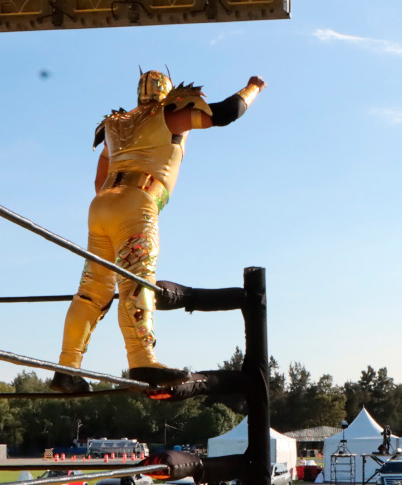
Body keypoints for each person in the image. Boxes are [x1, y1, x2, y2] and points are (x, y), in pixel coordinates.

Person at [51, 70, 268, 393]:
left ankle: (67, 368)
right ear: (167, 92)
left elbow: (99, 180)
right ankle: (142, 359)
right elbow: (225, 114)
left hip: (101, 206)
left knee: (92, 289)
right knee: (137, 280)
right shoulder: (169, 114)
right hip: (138, 202)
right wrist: (253, 88)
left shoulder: (116, 123)